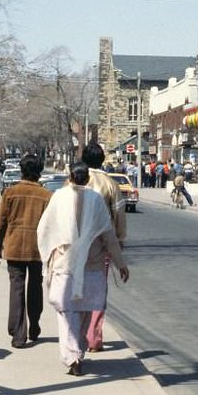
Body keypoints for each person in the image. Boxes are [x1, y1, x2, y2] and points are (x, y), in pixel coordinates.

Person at [37, 162, 129, 377]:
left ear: (70, 177)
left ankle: (73, 356)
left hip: (64, 264)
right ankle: (78, 351)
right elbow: (109, 235)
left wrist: (48, 255)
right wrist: (120, 263)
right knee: (85, 309)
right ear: (87, 178)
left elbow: (44, 230)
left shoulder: (59, 197)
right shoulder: (96, 200)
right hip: (92, 264)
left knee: (66, 312)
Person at [0, 154, 52, 348]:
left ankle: (18, 333)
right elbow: (51, 225)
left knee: (16, 289)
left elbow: (1, 221)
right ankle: (34, 323)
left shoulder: (11, 192)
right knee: (35, 286)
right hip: (37, 247)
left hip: (15, 245)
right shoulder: (46, 195)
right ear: (39, 172)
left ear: (22, 170)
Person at [81, 143, 128, 352]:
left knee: (77, 288)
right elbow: (119, 216)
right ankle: (94, 337)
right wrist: (118, 243)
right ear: (102, 160)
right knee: (98, 290)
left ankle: (78, 333)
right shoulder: (110, 184)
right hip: (102, 244)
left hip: (76, 243)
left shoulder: (74, 180)